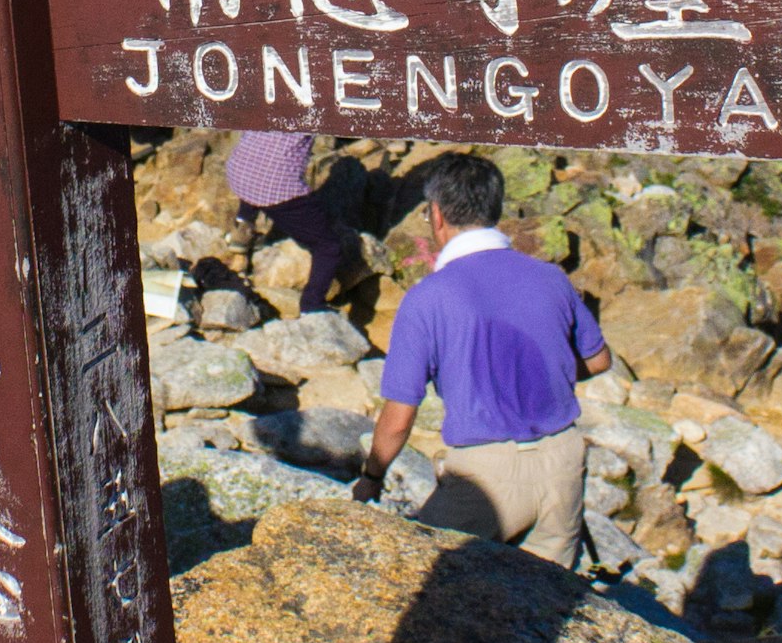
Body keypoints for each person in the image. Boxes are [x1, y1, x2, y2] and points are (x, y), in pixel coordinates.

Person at [348, 153, 608, 564]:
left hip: (486, 476)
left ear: (436, 215)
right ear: (494, 208)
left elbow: (399, 418)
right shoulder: (551, 278)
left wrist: (371, 477)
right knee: (542, 610)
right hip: (563, 459)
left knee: (422, 580)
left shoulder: (427, 299)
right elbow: (598, 361)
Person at [227, 129, 356, 315]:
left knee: (259, 169)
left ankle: (242, 228)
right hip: (277, 187)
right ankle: (312, 305)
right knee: (329, 246)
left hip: (240, 168)